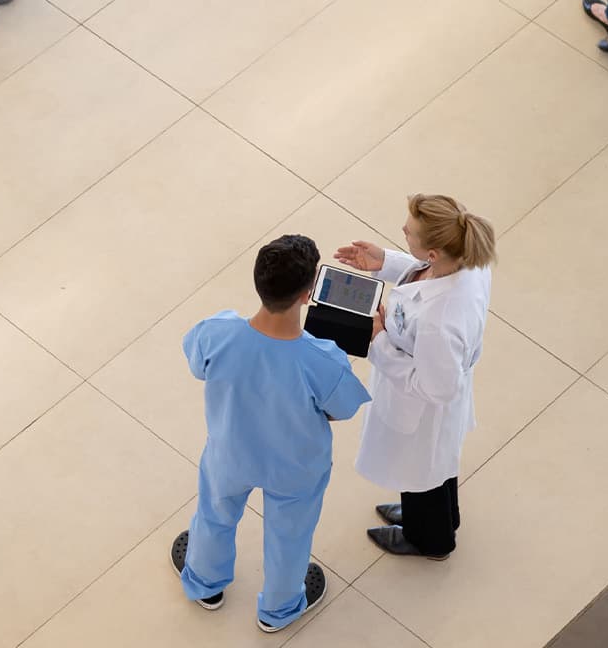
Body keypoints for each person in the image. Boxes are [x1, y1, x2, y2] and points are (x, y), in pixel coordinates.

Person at [172, 235, 371, 633]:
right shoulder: (323, 360)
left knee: (214, 514)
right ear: (308, 293)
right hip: (295, 467)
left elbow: (199, 366)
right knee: (290, 536)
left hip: (230, 454)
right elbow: (341, 410)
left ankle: (205, 582)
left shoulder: (215, 331)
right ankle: (279, 609)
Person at [336, 194, 495, 561]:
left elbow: (434, 388)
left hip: (422, 409)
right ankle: (436, 520)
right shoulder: (467, 260)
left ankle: (430, 540)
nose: (403, 231)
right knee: (433, 470)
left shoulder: (442, 321)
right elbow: (425, 277)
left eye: (411, 232)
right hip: (426, 396)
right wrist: (385, 262)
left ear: (434, 252)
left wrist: (377, 339)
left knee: (423, 471)